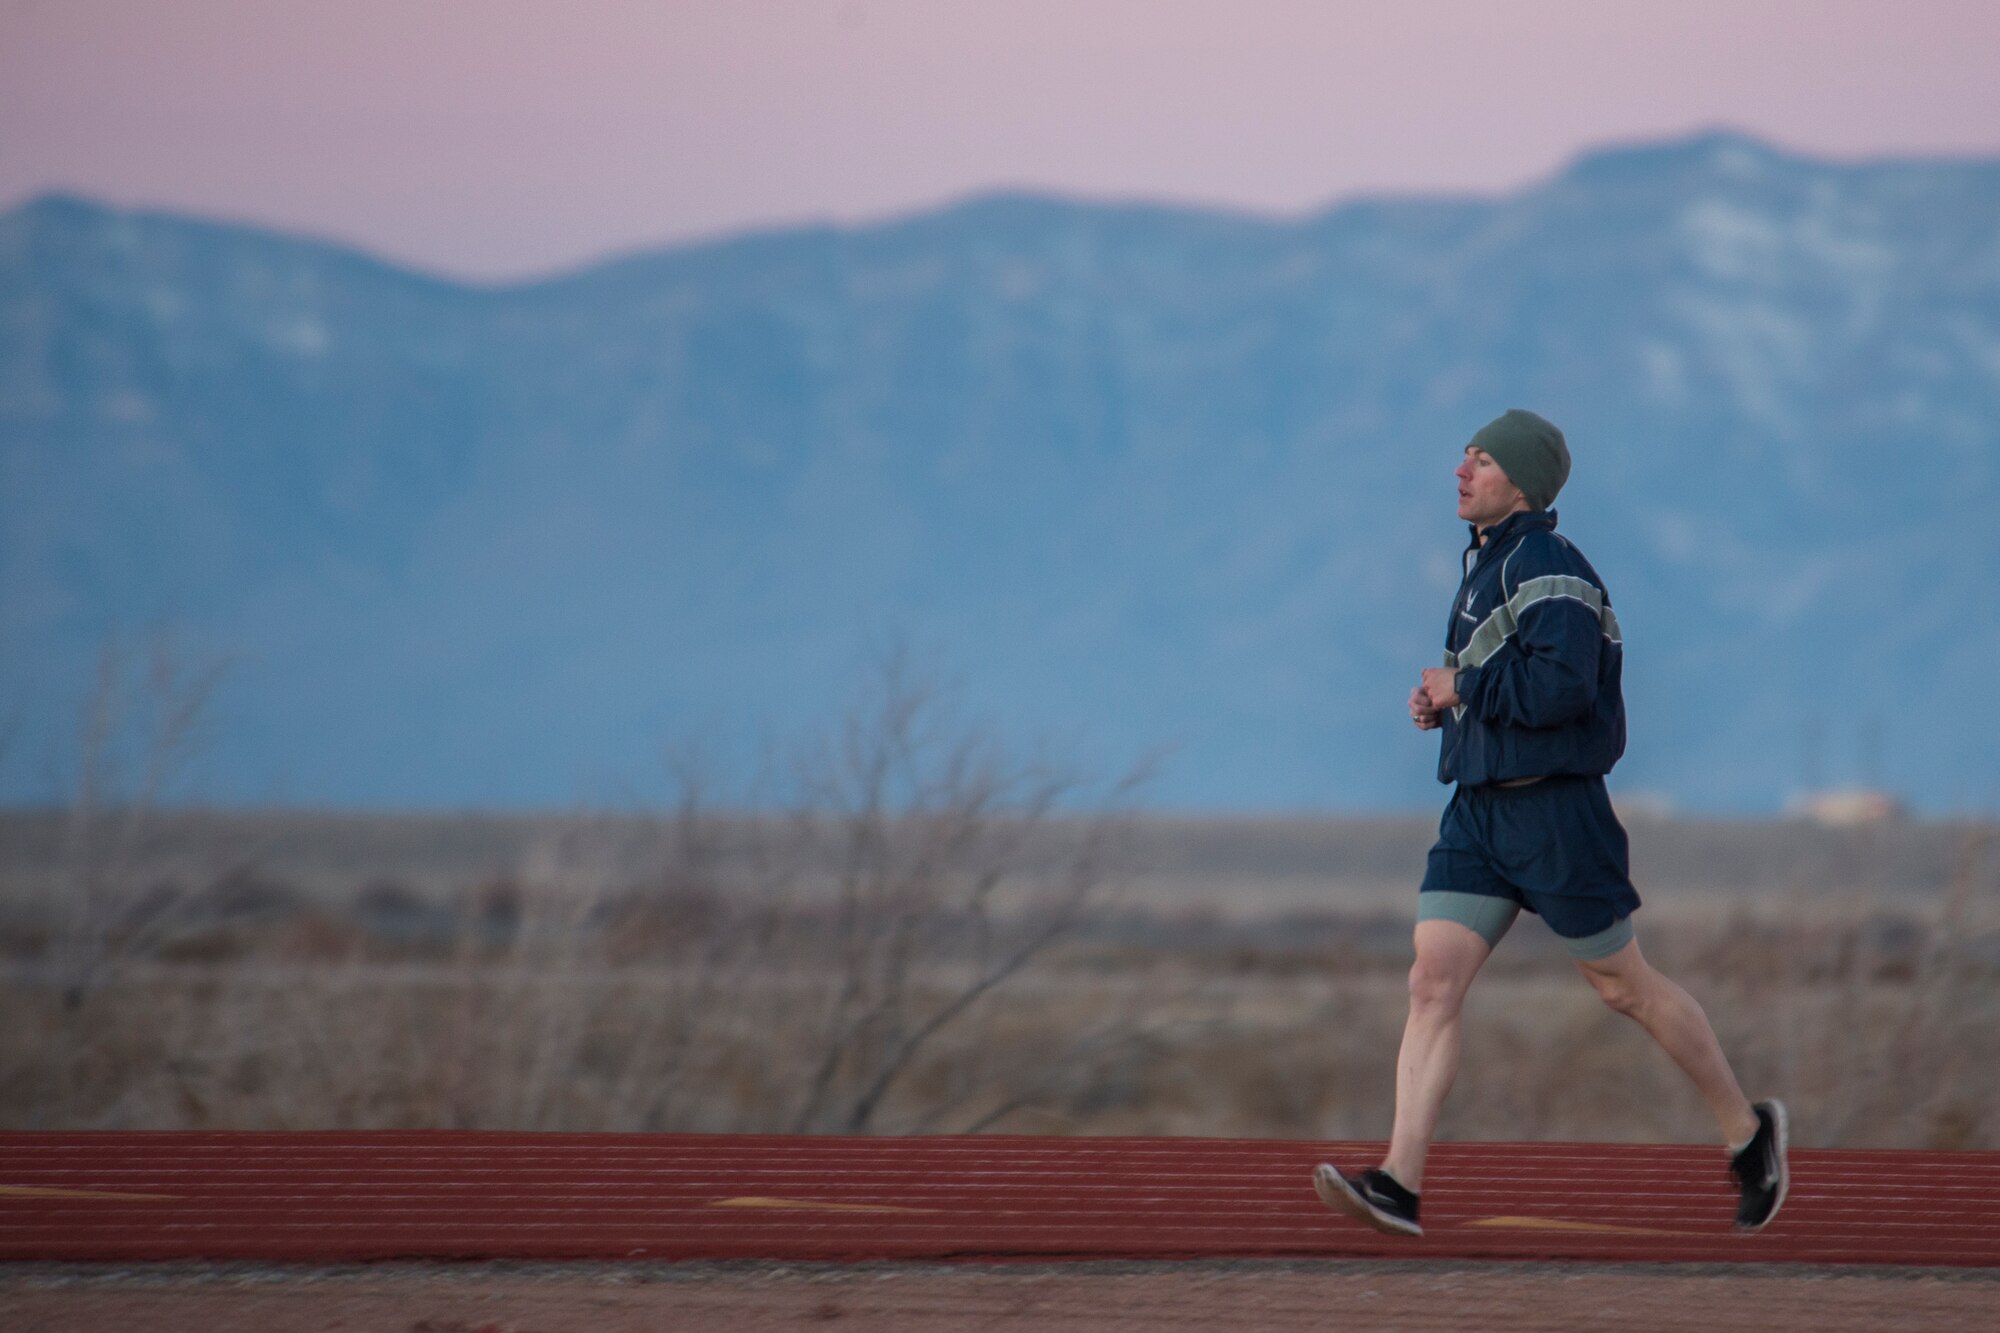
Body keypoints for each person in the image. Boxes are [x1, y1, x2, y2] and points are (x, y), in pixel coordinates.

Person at [1312, 409, 1788, 1238]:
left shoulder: (1550, 567)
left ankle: (1750, 1137)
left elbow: (1562, 690)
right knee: (1432, 983)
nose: (1461, 469)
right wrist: (1446, 706)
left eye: (1483, 458)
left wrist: (1464, 691)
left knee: (1624, 989)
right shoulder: (1486, 565)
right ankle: (1399, 1182)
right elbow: (1504, 681)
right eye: (1463, 454)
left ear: (1523, 482)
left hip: (1556, 814)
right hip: (1479, 812)